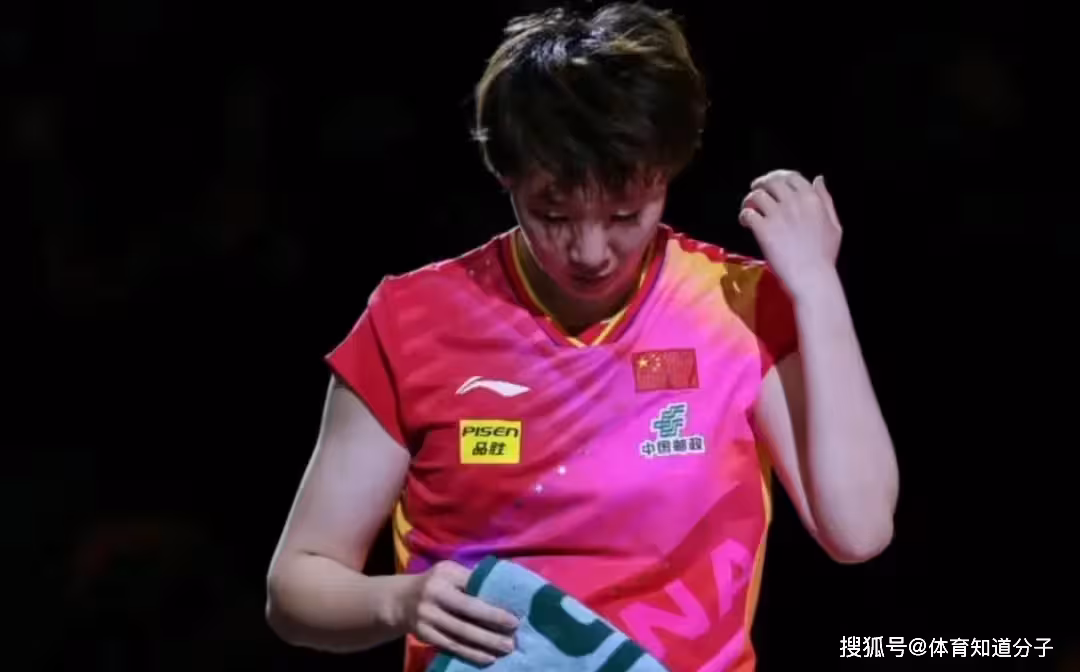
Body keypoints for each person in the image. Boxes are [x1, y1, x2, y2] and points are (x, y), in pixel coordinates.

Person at [265, 3, 899, 671]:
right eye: (553, 213)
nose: (591, 251)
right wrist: (398, 602)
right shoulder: (410, 320)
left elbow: (858, 530)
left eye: (625, 213)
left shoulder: (735, 308)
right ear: (505, 174)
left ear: (667, 170)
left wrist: (816, 287)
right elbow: (298, 582)